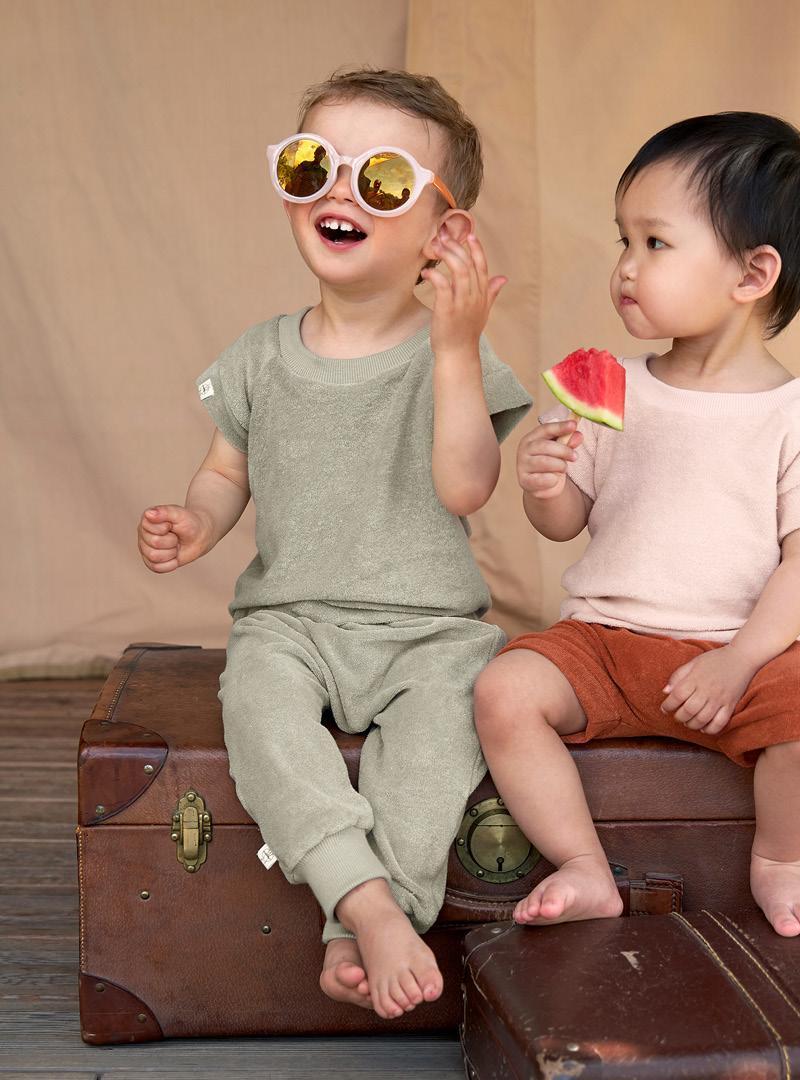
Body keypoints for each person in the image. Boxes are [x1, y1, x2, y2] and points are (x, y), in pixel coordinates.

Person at [135, 68, 532, 1019]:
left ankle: (355, 931)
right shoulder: (257, 355)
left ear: (445, 228)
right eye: (314, 166)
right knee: (262, 721)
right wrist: (198, 519)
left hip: (430, 630)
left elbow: (467, 484)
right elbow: (228, 469)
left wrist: (451, 349)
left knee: (437, 753)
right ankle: (368, 906)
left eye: (383, 178)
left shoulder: (457, 354)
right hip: (292, 620)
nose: (341, 193)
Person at [474, 112, 800, 939]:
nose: (625, 268)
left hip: (744, 647)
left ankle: (778, 860)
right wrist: (544, 482)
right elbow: (564, 525)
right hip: (605, 639)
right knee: (502, 691)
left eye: (655, 244)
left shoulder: (799, 416)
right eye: (623, 241)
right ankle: (584, 865)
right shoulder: (613, 386)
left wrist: (740, 661)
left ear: (752, 273)